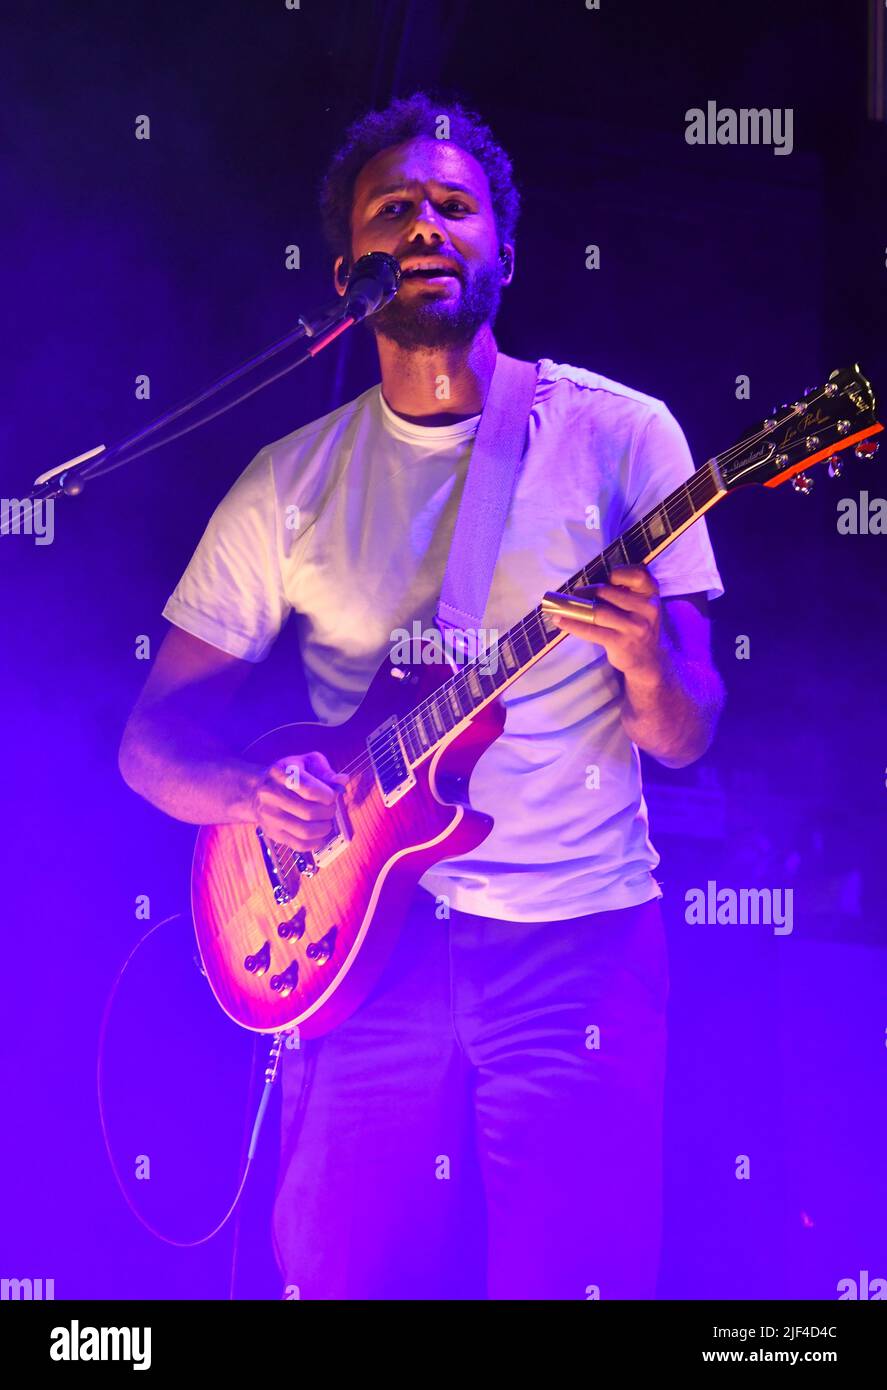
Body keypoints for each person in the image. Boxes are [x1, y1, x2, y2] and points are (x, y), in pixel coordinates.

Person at [118, 91, 725, 1300]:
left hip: (572, 941)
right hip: (358, 947)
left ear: (504, 248)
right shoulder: (287, 481)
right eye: (395, 209)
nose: (428, 224)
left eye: (456, 206)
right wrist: (252, 791)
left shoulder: (622, 438)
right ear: (349, 268)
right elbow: (149, 745)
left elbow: (689, 731)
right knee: (339, 1275)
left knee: (577, 1275)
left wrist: (649, 657)